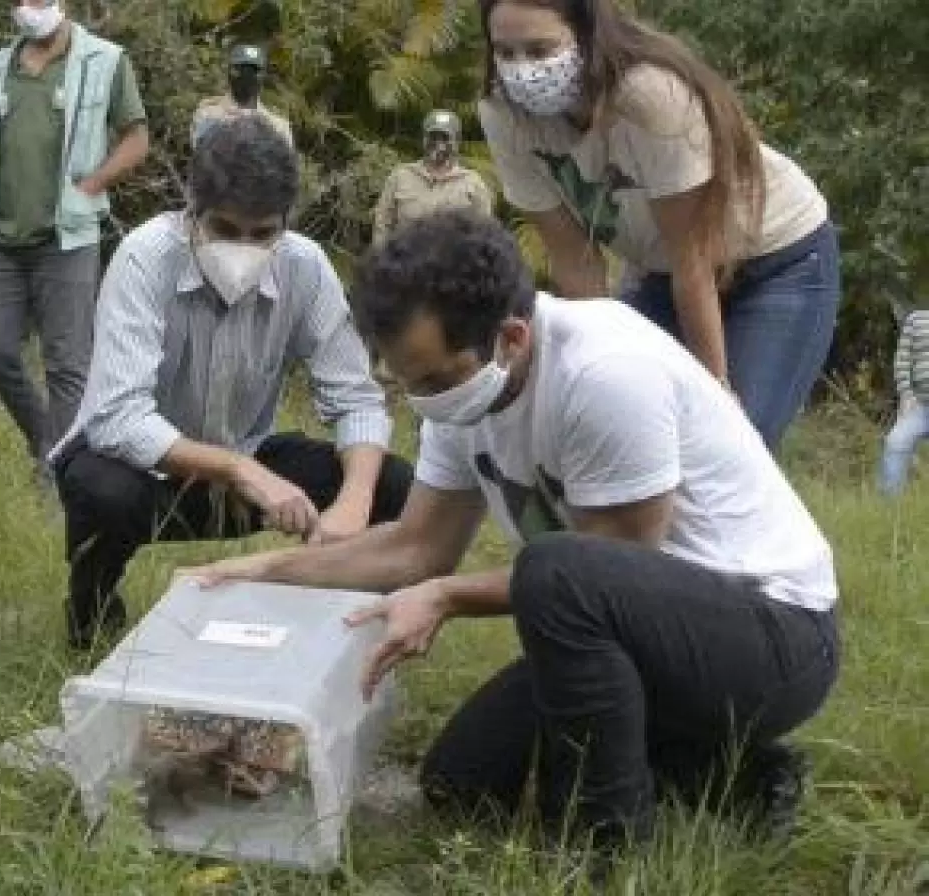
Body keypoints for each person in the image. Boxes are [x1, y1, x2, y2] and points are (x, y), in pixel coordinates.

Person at [181, 210, 840, 853]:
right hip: (644, 631)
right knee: (459, 782)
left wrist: (447, 596)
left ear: (513, 338)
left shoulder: (604, 372)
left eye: (438, 379)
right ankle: (735, 773)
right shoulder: (459, 399)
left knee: (554, 573)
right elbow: (418, 547)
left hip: (773, 638)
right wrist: (261, 571)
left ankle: (605, 847)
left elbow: (615, 558)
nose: (426, 400)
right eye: (410, 382)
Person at [51, 116, 413, 650]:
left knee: (392, 483)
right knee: (100, 488)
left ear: (285, 222)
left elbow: (354, 396)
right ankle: (93, 617)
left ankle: (353, 634)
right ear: (191, 210)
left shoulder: (305, 268)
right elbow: (118, 418)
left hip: (244, 465)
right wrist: (238, 470)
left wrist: (354, 500)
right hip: (150, 471)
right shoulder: (144, 258)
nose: (243, 248)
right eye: (224, 229)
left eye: (263, 232)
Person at [476, 0, 839, 452]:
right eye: (505, 53)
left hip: (775, 258)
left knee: (733, 443)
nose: (522, 70)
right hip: (660, 272)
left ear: (586, 36)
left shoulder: (649, 96)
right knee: (630, 425)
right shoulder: (502, 115)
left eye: (539, 49)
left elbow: (694, 260)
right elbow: (576, 264)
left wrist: (715, 391)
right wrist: (599, 371)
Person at [0, 0, 150, 487]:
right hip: (0, 236)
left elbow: (136, 139)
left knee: (68, 366)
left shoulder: (104, 59)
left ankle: (59, 480)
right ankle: (46, 437)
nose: (28, 9)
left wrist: (91, 185)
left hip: (67, 238)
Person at [371, 109, 494, 246]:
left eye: (445, 138)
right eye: (433, 137)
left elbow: (485, 232)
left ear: (457, 142)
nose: (439, 144)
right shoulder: (400, 176)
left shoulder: (473, 183)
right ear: (424, 139)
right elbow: (382, 225)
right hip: (406, 263)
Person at [190, 43, 293, 149]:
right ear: (229, 72)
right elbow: (202, 154)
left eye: (253, 71)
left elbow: (285, 162)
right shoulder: (208, 115)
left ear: (263, 76)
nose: (246, 76)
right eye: (240, 70)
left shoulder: (278, 126)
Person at [880, 301, 929, 497]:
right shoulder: (916, 320)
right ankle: (890, 506)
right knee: (895, 442)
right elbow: (902, 359)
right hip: (918, 405)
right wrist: (906, 393)